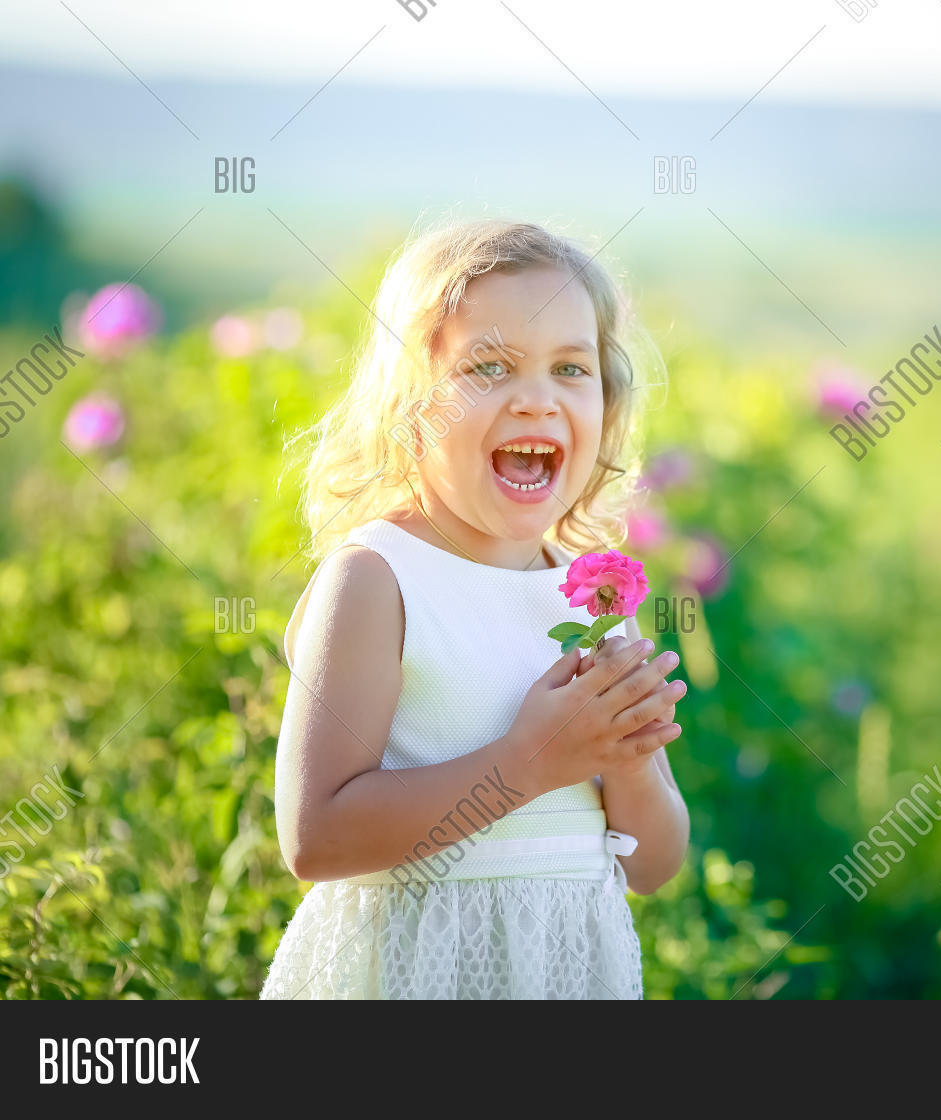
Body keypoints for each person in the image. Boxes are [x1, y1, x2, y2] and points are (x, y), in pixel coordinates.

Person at [260, 219, 688, 999]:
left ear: (608, 398)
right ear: (411, 408)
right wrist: (529, 763)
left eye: (570, 368)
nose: (537, 400)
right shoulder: (379, 579)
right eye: (488, 367)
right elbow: (314, 836)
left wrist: (627, 764)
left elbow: (652, 866)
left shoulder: (596, 596)